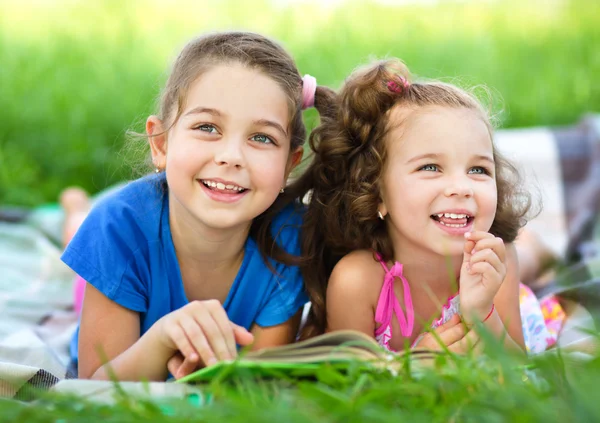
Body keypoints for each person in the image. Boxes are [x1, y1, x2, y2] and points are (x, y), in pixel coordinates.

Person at [61, 31, 333, 381]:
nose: (231, 157)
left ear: (289, 164)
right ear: (160, 144)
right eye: (208, 127)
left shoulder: (291, 241)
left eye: (262, 138)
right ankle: (75, 206)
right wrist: (160, 340)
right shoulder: (116, 228)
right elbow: (93, 388)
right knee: (80, 234)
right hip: (117, 260)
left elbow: (258, 387)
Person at [294, 59, 548, 353]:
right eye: (431, 167)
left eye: (478, 170)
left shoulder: (495, 259)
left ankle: (541, 251)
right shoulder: (357, 281)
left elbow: (517, 368)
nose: (461, 188)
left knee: (528, 255)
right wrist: (413, 365)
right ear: (377, 193)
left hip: (513, 284)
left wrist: (483, 313)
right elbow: (351, 380)